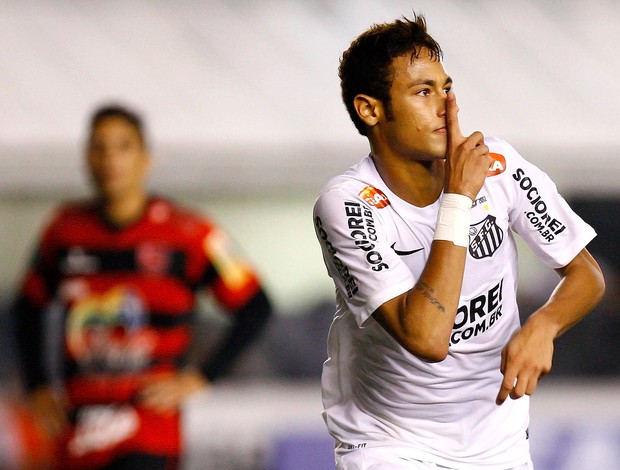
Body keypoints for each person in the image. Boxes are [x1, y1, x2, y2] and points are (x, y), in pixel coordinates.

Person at [312, 14, 605, 470]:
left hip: (498, 439)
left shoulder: (498, 164)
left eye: (445, 88)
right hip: (391, 440)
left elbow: (586, 274)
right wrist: (459, 198)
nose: (445, 107)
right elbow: (428, 337)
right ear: (371, 110)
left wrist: (544, 324)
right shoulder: (348, 205)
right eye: (422, 92)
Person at [12, 104, 273, 469]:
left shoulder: (189, 233)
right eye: (99, 147)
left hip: (149, 429)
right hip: (79, 430)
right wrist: (37, 385)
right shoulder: (63, 231)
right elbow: (27, 306)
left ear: (146, 158)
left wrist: (202, 377)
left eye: (123, 146)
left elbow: (256, 306)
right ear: (86, 158)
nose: (110, 159)